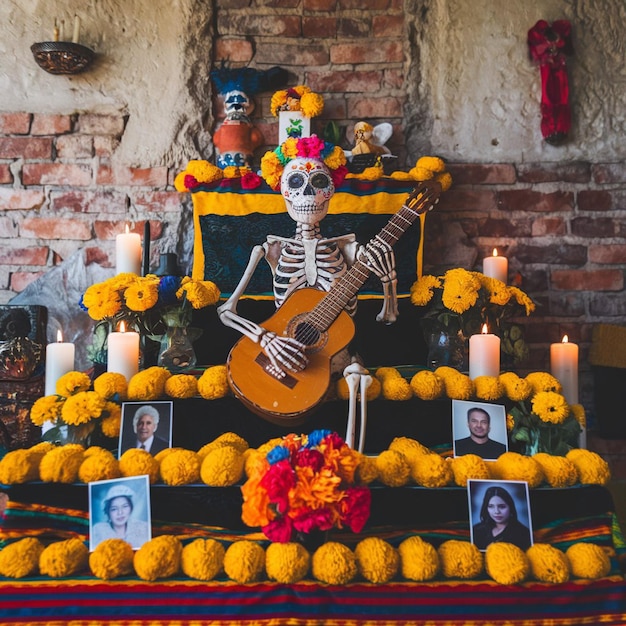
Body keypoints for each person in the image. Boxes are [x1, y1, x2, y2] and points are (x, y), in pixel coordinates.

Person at [472, 485, 532, 550]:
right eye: (491, 506)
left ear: (510, 507)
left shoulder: (523, 533)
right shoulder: (476, 530)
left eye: (502, 506)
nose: (496, 511)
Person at [91, 483, 150, 549]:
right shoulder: (99, 530)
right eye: (114, 509)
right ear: (108, 512)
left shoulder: (143, 527)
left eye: (125, 506)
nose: (120, 512)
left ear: (131, 508)